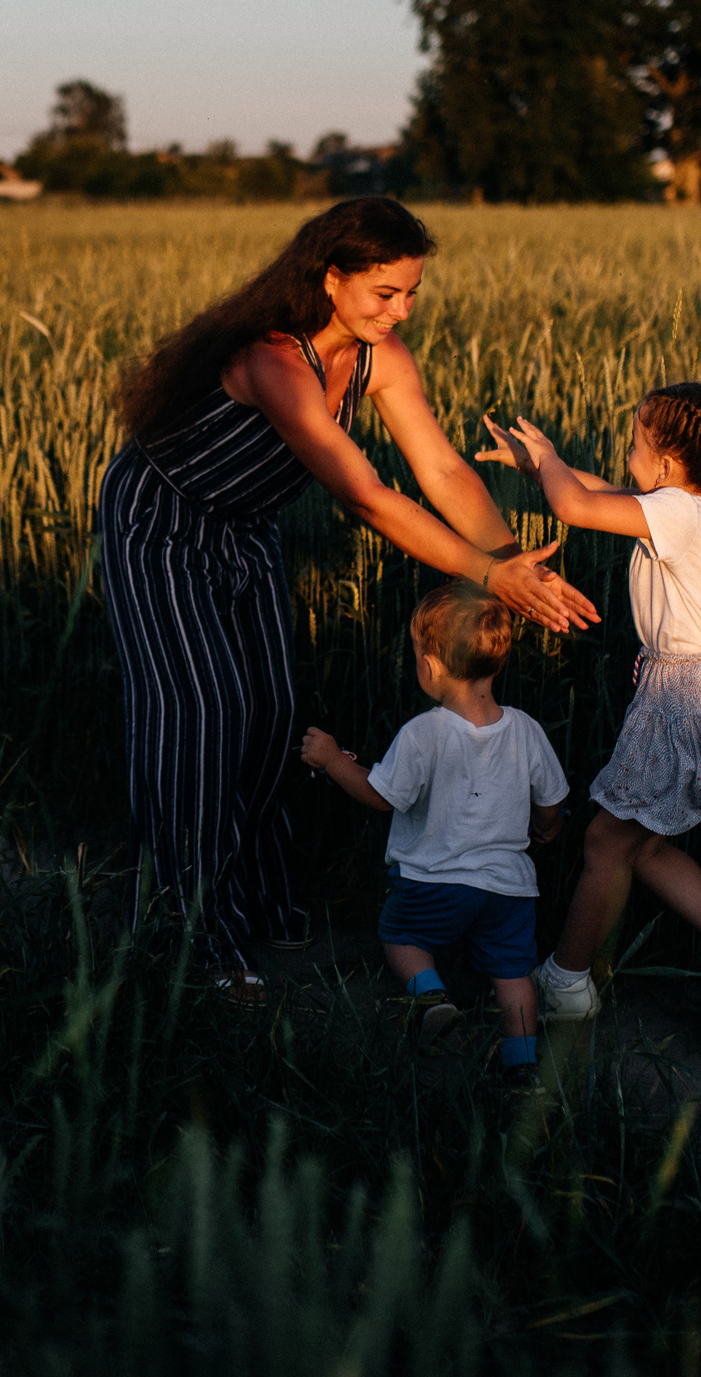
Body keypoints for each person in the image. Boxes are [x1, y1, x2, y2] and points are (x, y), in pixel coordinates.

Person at [98, 198, 598, 1003]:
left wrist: (512, 566)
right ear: (331, 280)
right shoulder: (273, 358)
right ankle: (189, 929)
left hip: (244, 527)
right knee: (202, 710)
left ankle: (253, 896)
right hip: (160, 521)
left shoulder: (380, 356)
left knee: (274, 708)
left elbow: (440, 473)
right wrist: (489, 572)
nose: (400, 311)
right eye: (384, 293)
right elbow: (366, 495)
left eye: (410, 293)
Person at [480, 382, 701, 1043]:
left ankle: (565, 983)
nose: (626, 454)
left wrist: (551, 466)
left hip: (686, 707)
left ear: (670, 465)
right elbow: (604, 497)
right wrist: (543, 465)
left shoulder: (682, 512)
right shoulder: (700, 503)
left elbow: (576, 504)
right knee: (638, 842)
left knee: (601, 843)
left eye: (634, 443)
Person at [299, 582, 565, 1075]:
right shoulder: (526, 729)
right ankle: (522, 1064)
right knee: (512, 975)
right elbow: (552, 799)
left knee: (400, 935)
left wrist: (333, 759)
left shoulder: (423, 733)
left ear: (431, 666)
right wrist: (546, 831)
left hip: (432, 882)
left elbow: (380, 795)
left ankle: (433, 998)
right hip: (508, 888)